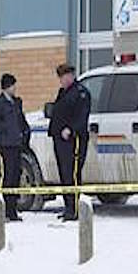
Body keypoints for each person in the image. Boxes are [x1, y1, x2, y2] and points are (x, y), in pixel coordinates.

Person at [48, 63, 91, 221]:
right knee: (64, 173)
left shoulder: (80, 93)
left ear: (71, 75)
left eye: (64, 76)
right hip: (60, 140)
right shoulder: (64, 93)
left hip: (74, 139)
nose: (62, 80)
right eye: (60, 77)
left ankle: (75, 208)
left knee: (72, 173)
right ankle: (68, 207)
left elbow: (82, 116)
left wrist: (71, 130)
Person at [0, 73, 31, 222]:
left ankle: (12, 210)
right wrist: (6, 129)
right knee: (5, 176)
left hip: (16, 145)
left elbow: (21, 120)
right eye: (13, 85)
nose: (15, 88)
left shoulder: (16, 103)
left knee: (15, 176)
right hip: (4, 145)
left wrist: (24, 133)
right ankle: (2, 209)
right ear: (7, 87)